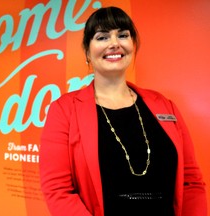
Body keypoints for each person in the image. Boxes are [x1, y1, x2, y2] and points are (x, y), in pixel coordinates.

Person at [39, 6, 207, 216]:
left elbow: (191, 182)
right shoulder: (64, 111)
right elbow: (58, 190)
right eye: (102, 37)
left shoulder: (164, 105)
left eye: (122, 35)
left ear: (132, 44)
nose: (114, 43)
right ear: (87, 51)